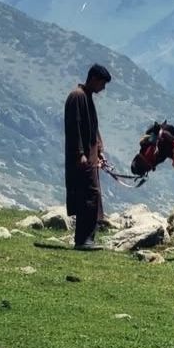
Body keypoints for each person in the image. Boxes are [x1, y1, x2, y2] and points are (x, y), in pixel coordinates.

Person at [64, 63, 111, 249]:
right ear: (93, 79)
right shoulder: (77, 97)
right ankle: (83, 240)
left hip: (90, 156)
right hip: (82, 158)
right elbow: (74, 129)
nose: (103, 88)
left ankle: (88, 238)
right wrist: (81, 154)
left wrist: (99, 150)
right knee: (89, 194)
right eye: (102, 83)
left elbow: (93, 129)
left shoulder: (88, 97)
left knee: (92, 194)